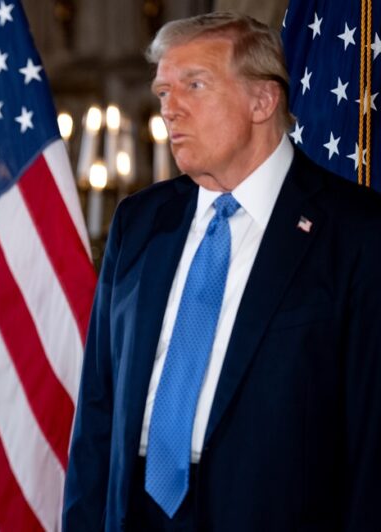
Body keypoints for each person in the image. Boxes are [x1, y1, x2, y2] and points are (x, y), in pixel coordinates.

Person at [63, 12, 381, 531]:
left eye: (194, 85)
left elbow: (371, 438)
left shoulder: (355, 231)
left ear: (263, 100)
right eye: (164, 92)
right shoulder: (139, 222)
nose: (170, 109)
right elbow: (98, 409)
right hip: (136, 512)